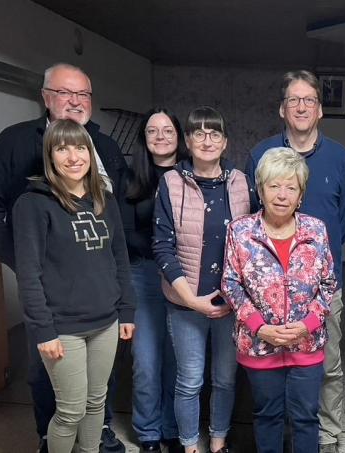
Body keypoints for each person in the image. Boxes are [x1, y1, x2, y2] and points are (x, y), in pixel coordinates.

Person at [0, 63, 128, 453]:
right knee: (57, 393)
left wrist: (124, 302)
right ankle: (49, 440)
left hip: (99, 304)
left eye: (83, 95)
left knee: (95, 394)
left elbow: (115, 233)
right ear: (45, 97)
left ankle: (98, 438)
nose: (74, 101)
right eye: (64, 93)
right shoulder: (17, 143)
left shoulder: (105, 147)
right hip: (55, 306)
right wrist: (29, 263)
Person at [246, 70, 345, 453]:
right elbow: (250, 215)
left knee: (326, 365)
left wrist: (310, 267)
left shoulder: (341, 159)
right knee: (270, 370)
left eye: (309, 100)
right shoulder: (260, 154)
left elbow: (341, 224)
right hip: (265, 295)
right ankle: (277, 437)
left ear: (320, 110)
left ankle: (323, 436)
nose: (301, 106)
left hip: (322, 289)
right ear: (282, 109)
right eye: (294, 100)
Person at [12, 119, 135, 453]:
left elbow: (119, 259)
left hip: (106, 323)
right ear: (50, 156)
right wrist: (44, 331)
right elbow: (29, 274)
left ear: (89, 153)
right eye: (62, 148)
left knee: (97, 403)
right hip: (62, 327)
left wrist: (126, 311)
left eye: (79, 147)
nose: (72, 156)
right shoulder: (33, 204)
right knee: (70, 410)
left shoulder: (103, 199)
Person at [153, 106, 256, 453]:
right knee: (190, 381)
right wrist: (189, 299)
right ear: (188, 141)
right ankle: (188, 446)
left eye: (215, 133)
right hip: (185, 301)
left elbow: (252, 241)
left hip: (230, 302)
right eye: (199, 133)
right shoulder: (170, 182)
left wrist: (236, 296)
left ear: (225, 142)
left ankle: (217, 440)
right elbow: (162, 246)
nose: (207, 140)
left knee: (225, 380)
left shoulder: (241, 182)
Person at [223, 147, 336, 453]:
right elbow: (231, 284)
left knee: (305, 418)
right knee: (267, 415)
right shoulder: (241, 231)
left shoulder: (317, 230)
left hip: (307, 343)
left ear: (301, 195)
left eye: (291, 187)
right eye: (274, 185)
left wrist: (307, 325)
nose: (282, 195)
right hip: (259, 344)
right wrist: (260, 327)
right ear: (261, 190)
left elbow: (328, 283)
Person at [118, 108, 186, 453]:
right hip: (144, 275)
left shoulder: (191, 174)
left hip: (185, 278)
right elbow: (126, 234)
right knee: (145, 360)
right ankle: (147, 432)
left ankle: (172, 428)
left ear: (178, 136)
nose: (160, 136)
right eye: (152, 131)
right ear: (144, 139)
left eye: (167, 130)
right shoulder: (130, 178)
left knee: (178, 359)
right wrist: (164, 252)